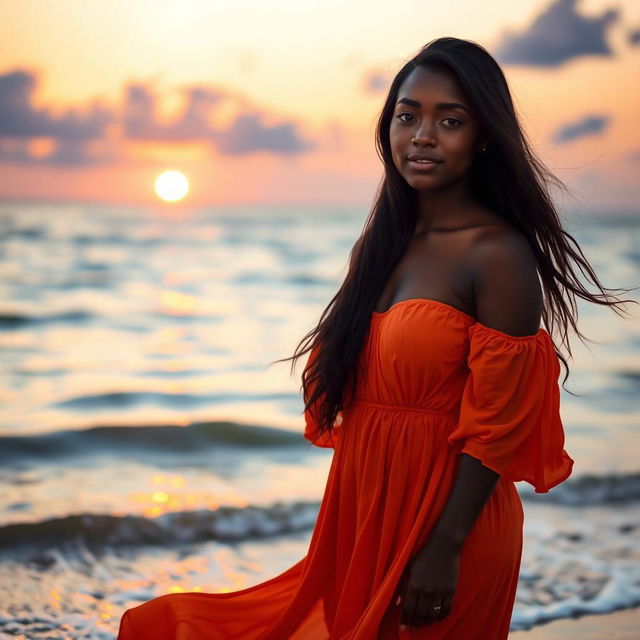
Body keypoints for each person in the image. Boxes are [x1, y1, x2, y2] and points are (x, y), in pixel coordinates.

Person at [116, 36, 636, 639]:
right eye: (407, 115)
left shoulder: (497, 255)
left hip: (450, 528)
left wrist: (444, 546)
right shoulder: (378, 248)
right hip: (362, 517)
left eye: (451, 120)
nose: (422, 134)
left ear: (485, 135)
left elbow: (500, 424)